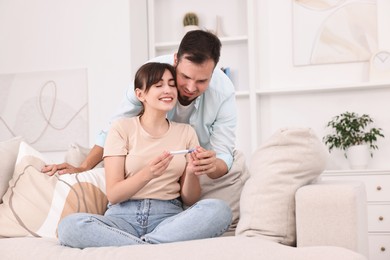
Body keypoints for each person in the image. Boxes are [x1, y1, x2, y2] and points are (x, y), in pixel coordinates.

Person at [57, 62, 232, 248]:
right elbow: (114, 194)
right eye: (159, 85)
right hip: (121, 219)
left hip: (167, 219)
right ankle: (153, 248)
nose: (168, 90)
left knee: (219, 210)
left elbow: (190, 199)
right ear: (140, 94)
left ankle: (139, 248)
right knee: (69, 226)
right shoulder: (121, 128)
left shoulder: (186, 132)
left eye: (172, 85)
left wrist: (190, 171)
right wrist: (149, 173)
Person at [42, 30, 237, 180]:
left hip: (193, 169)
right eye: (185, 77)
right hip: (147, 161)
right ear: (175, 60)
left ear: (213, 73)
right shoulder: (150, 75)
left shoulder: (224, 91)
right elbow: (115, 127)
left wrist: (212, 166)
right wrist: (83, 167)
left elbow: (224, 155)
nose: (190, 87)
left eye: (202, 81)